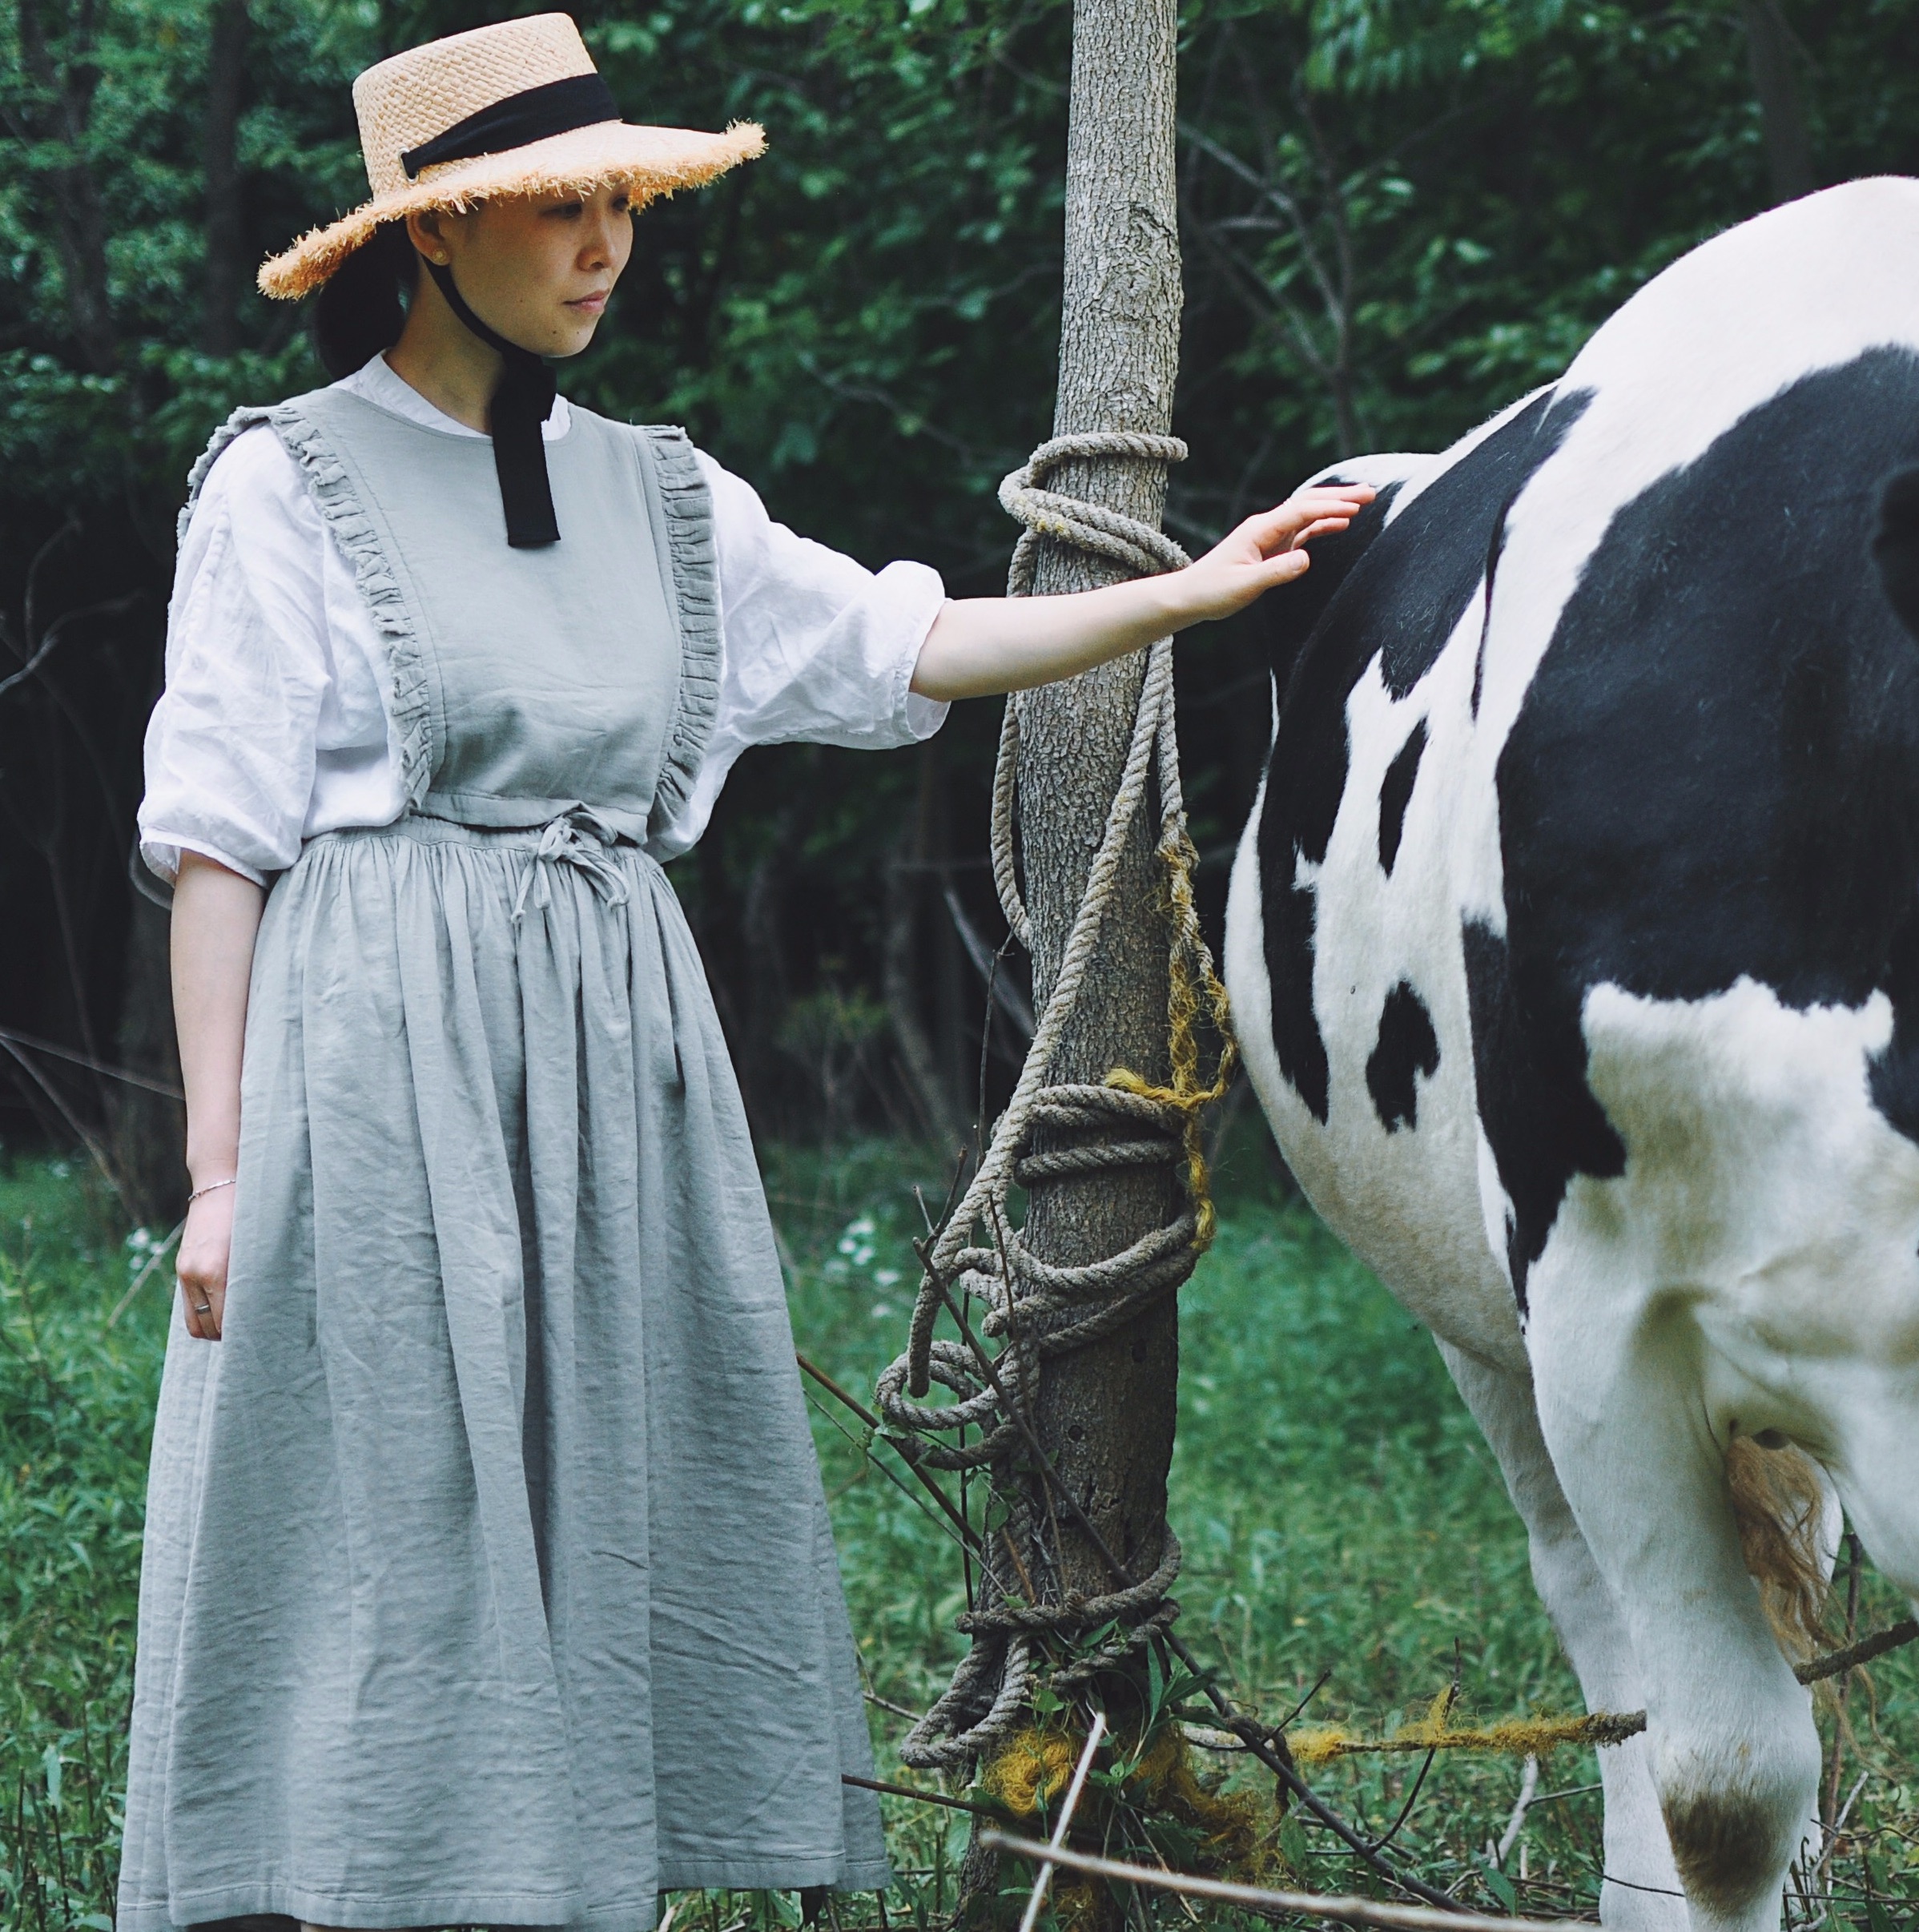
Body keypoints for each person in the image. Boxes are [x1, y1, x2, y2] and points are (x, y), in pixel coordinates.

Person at [122, 16, 1370, 1931]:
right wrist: (218, 1173)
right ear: (432, 237)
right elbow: (218, 841)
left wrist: (1194, 588)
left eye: (620, 196)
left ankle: (572, 1884)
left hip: (616, 1065)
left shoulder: (664, 495)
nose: (604, 239)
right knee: (391, 1507)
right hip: (375, 1062)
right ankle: (361, 1881)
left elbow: (908, 647)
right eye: (557, 204)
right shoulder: (284, 486)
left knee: (611, 1486)